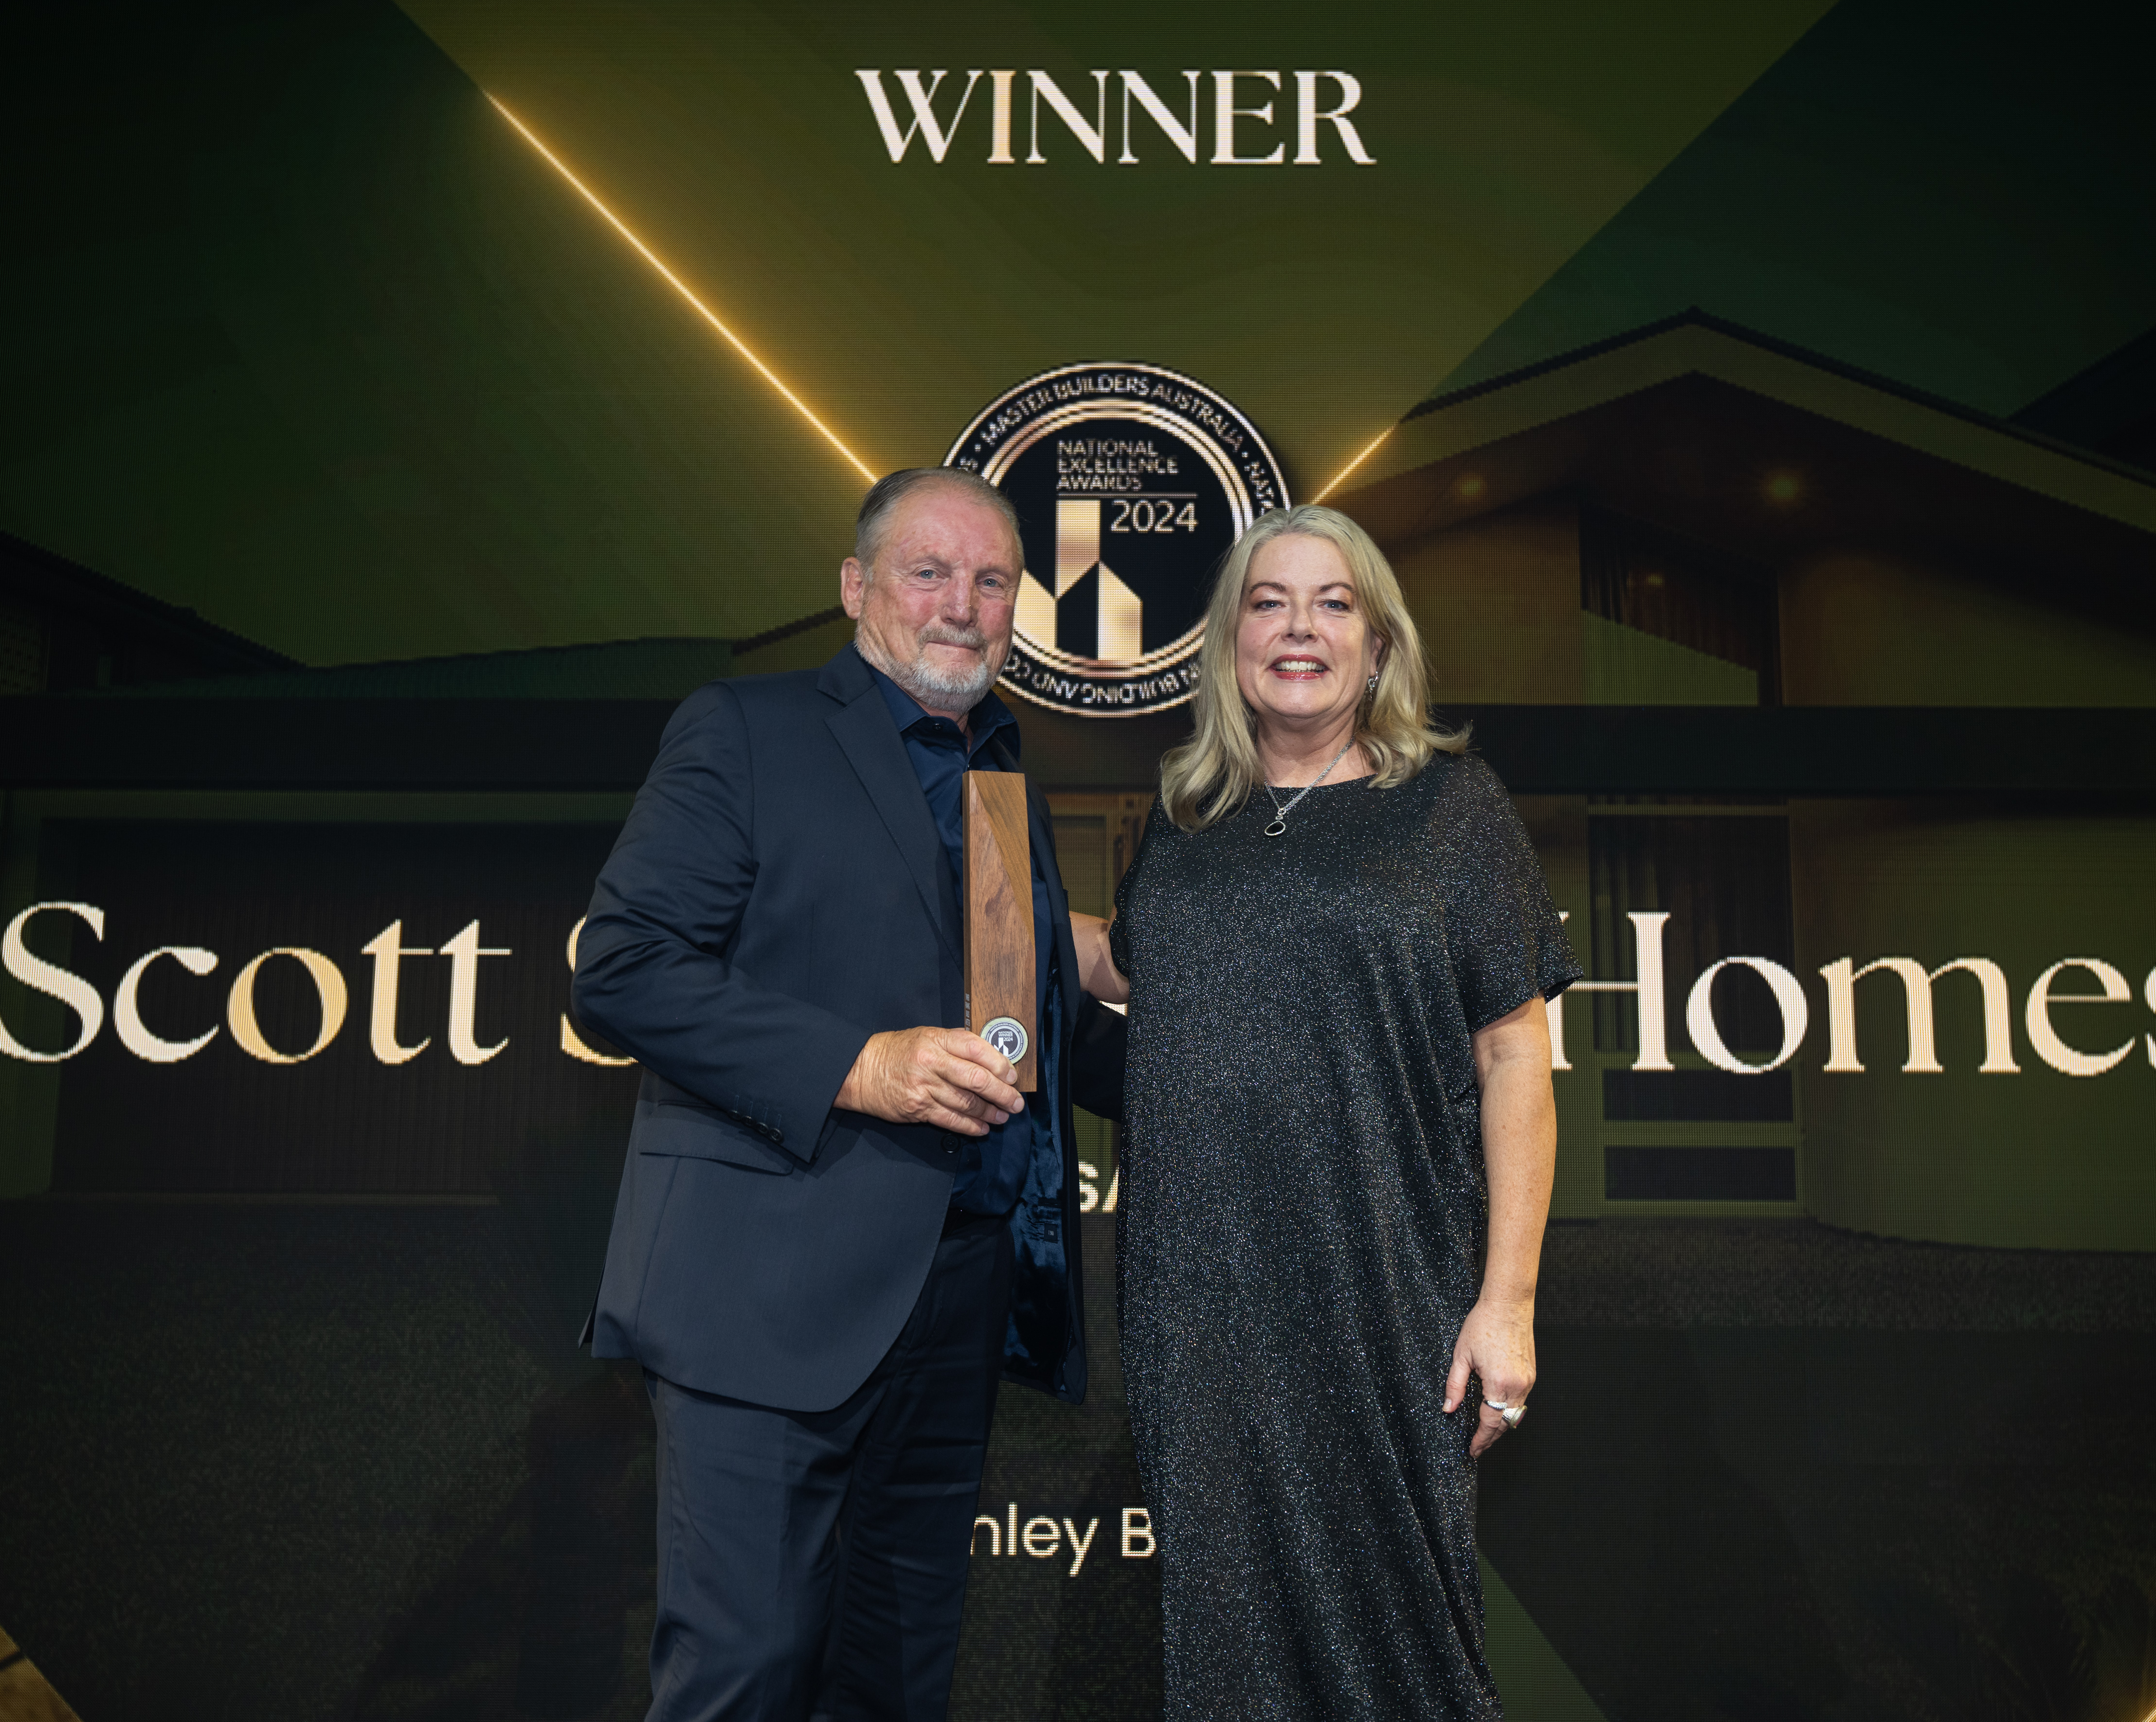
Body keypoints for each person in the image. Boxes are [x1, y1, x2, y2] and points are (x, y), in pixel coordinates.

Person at [574, 468, 1124, 1722]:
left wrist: (1266, 1072)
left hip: (954, 1298)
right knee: (748, 1675)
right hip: (766, 1295)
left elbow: (1040, 1016)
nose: (962, 606)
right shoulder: (746, 727)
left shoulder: (1000, 773)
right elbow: (622, 972)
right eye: (928, 572)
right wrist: (857, 1064)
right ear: (855, 586)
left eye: (992, 581)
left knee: (894, 1686)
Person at [1069, 504, 1580, 1720]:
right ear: (1230, 640)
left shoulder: (1450, 810)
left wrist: (1505, 1301)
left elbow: (1515, 1056)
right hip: (1199, 1303)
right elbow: (1123, 964)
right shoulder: (1190, 823)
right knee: (1227, 1635)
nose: (1300, 627)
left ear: (1379, 642)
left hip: (1383, 1290)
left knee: (1406, 1639)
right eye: (1269, 600)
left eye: (1333, 602)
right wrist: (972, 890)